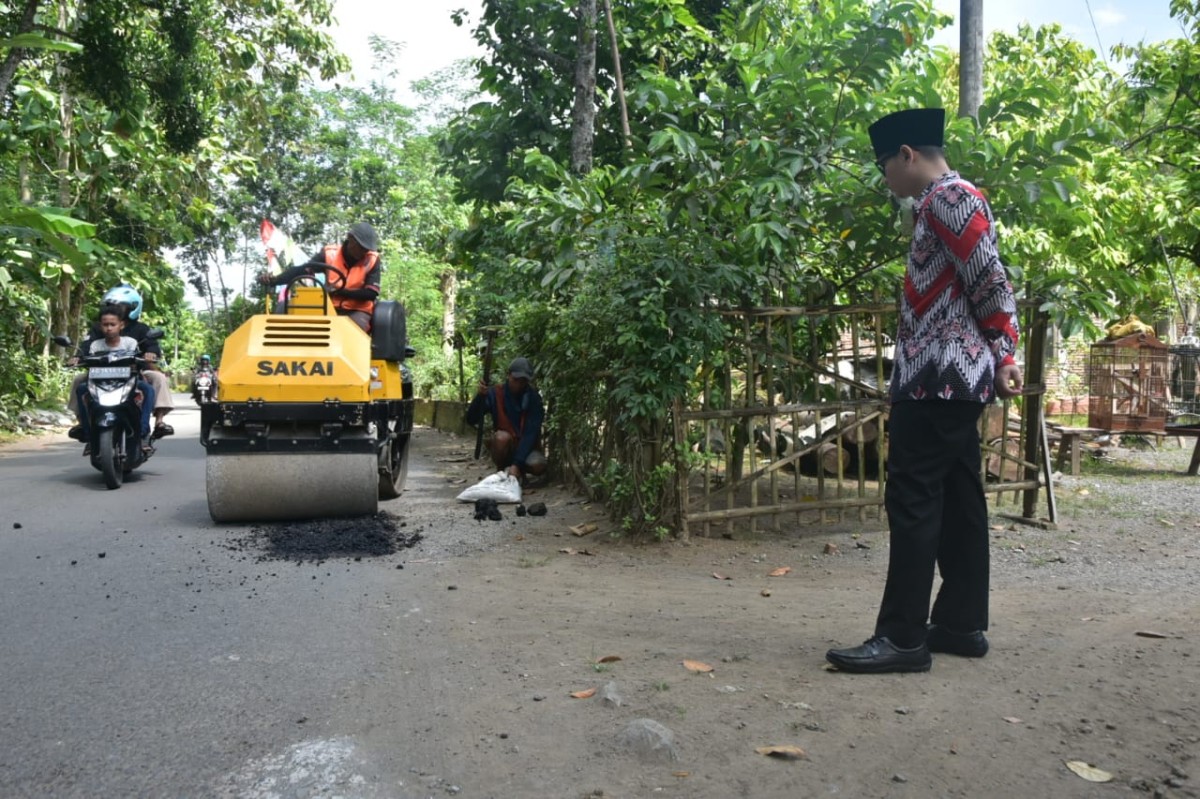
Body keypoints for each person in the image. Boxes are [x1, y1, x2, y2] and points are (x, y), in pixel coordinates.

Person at [825, 108, 1024, 674]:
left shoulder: (948, 198)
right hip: (952, 379)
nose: (884, 177)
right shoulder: (942, 202)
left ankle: (903, 638)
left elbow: (990, 278)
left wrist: (1006, 350)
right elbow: (979, 280)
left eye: (884, 165)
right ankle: (960, 625)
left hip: (938, 380)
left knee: (912, 500)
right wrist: (999, 353)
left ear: (907, 155)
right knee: (959, 498)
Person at [67, 284, 174, 440]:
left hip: (134, 371)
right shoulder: (97, 329)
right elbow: (86, 346)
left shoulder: (140, 329)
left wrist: (151, 354)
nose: (115, 309)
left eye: (120, 306)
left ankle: (159, 422)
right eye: (110, 305)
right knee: (79, 381)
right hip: (100, 373)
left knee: (158, 378)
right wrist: (77, 357)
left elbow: (151, 346)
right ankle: (82, 423)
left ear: (132, 308)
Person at [258, 222, 382, 332]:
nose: (363, 253)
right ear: (350, 238)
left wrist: (341, 292)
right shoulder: (330, 254)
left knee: (353, 331)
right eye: (360, 248)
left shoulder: (372, 260)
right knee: (298, 320)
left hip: (357, 310)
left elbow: (371, 294)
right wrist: (275, 280)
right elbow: (302, 270)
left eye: (366, 250)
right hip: (327, 307)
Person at [70, 304, 155, 447]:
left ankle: (144, 431)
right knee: (81, 389)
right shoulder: (95, 345)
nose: (109, 328)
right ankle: (86, 430)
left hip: (127, 381)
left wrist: (147, 357)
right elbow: (85, 356)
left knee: (148, 390)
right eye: (105, 325)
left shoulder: (131, 343)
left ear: (121, 325)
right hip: (99, 383)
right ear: (100, 326)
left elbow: (137, 360)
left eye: (112, 324)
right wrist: (77, 359)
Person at [466, 357, 547, 480]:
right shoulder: (495, 393)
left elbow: (530, 434)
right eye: (516, 380)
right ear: (508, 375)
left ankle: (518, 471)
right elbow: (471, 419)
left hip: (526, 448)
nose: (518, 385)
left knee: (538, 465)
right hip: (506, 445)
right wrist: (479, 397)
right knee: (501, 438)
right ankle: (501, 471)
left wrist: (517, 464)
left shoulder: (534, 399)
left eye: (523, 381)